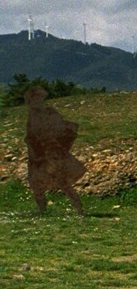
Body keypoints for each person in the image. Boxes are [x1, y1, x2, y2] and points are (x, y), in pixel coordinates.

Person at [25, 86, 86, 215]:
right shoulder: (35, 114)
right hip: (38, 153)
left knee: (61, 181)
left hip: (48, 153)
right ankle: (43, 211)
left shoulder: (47, 113)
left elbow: (51, 131)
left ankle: (80, 210)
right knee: (37, 185)